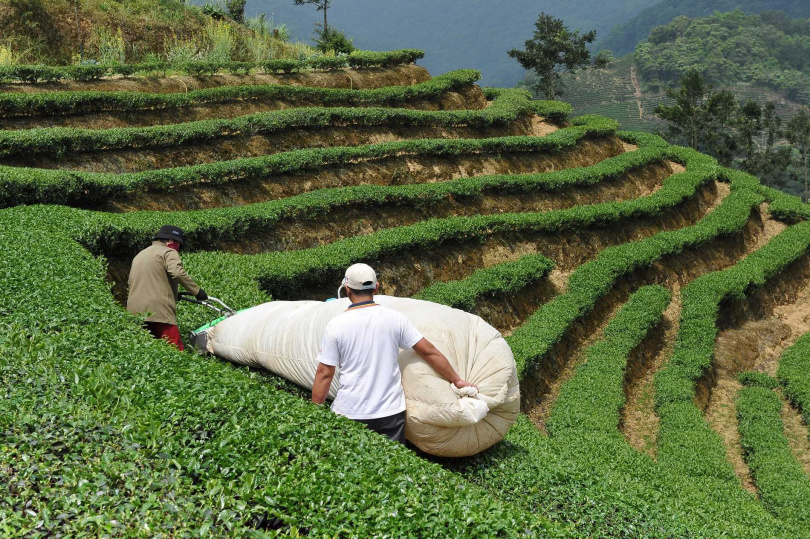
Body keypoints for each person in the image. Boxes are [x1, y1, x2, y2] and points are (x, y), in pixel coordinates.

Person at [311, 263, 474, 444]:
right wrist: (457, 380)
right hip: (389, 414)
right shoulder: (395, 318)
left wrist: (314, 412)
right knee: (392, 461)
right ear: (376, 287)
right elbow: (429, 352)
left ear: (347, 289)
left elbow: (325, 373)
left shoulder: (336, 325)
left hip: (350, 412)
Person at [127, 225, 207, 351]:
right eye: (178, 244)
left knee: (145, 350)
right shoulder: (168, 252)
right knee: (175, 350)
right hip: (158, 311)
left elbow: (148, 280)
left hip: (135, 311)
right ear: (170, 241)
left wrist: (174, 293)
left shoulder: (140, 254)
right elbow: (177, 272)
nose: (178, 249)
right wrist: (197, 291)